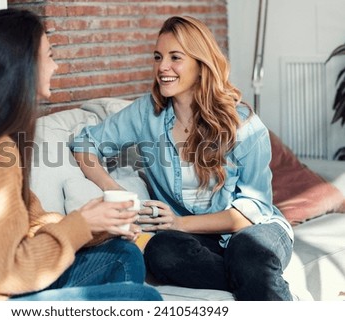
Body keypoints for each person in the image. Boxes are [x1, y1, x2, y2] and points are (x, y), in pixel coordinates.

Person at [0, 8, 162, 301]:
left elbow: (32, 221)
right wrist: (82, 224)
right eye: (49, 55)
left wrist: (96, 225)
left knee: (122, 254)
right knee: (144, 300)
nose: (56, 66)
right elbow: (7, 270)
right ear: (23, 66)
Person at [70, 16, 294, 301]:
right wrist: (113, 188)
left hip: (258, 229)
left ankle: (261, 280)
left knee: (247, 253)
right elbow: (85, 143)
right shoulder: (146, 113)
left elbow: (252, 211)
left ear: (201, 65)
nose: (162, 67)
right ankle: (264, 283)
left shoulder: (244, 124)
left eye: (175, 57)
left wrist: (179, 223)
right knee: (160, 251)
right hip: (198, 242)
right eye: (158, 57)